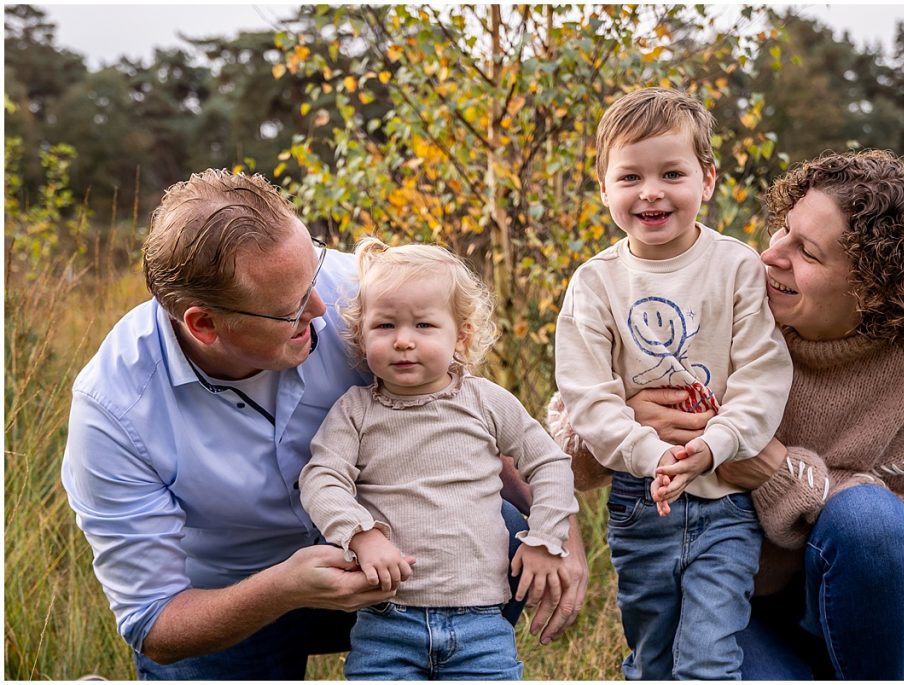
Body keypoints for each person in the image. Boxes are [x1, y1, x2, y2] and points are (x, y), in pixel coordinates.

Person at [61, 170, 588, 680]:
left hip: (397, 567)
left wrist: (560, 532)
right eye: (289, 310)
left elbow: (470, 425)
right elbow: (153, 622)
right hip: (234, 597)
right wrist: (284, 588)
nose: (323, 309)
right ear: (205, 325)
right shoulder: (115, 411)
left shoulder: (373, 298)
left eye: (313, 274)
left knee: (509, 527)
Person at [559, 149, 904, 679]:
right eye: (782, 230)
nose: (771, 256)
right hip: (728, 590)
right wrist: (626, 415)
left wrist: (776, 472)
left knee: (870, 521)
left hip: (843, 591)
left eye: (807, 252)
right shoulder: (737, 292)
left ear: (873, 288)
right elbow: (569, 442)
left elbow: (897, 525)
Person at [552, 87, 793, 680]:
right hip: (641, 503)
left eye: (672, 173)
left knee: (708, 658)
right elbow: (587, 396)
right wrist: (652, 453)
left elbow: (763, 375)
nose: (651, 191)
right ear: (604, 187)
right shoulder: (596, 283)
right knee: (654, 655)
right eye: (630, 176)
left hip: (725, 500)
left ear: (706, 180)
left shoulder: (736, 267)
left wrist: (714, 446)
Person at [298, 237, 579, 680]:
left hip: (482, 623)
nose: (403, 342)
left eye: (424, 326)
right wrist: (360, 534)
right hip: (386, 622)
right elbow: (321, 477)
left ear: (460, 334)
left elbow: (548, 463)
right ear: (361, 333)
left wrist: (547, 536)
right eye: (385, 326)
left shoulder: (486, 401)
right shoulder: (355, 410)